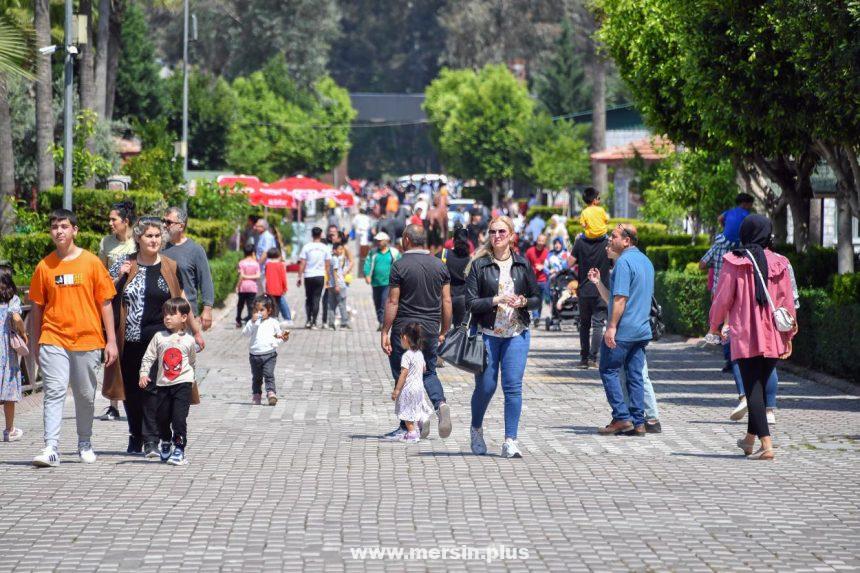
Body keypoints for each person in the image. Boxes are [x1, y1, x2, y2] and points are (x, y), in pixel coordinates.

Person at [102, 217, 204, 458]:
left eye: (157, 236)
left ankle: (151, 439)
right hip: (130, 339)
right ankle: (136, 434)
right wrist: (118, 276)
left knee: (154, 391)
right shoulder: (124, 263)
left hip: (161, 340)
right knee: (131, 390)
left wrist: (196, 329)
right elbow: (103, 293)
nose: (154, 240)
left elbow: (181, 299)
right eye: (149, 235)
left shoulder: (169, 265)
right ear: (138, 238)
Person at [29, 209, 118, 467]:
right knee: (54, 391)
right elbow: (37, 307)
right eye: (55, 227)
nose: (59, 231)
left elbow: (105, 303)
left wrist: (110, 341)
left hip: (88, 340)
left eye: (64, 226)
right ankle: (51, 447)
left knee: (84, 395)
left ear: (74, 231)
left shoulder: (91, 263)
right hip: (53, 337)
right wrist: (37, 342)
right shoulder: (44, 266)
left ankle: (84, 442)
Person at [708, 215, 797, 460]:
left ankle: (766, 445)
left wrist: (715, 326)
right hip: (774, 334)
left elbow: (722, 298)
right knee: (758, 385)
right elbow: (788, 303)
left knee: (752, 390)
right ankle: (749, 441)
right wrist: (788, 334)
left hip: (746, 334)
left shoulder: (734, 260)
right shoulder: (781, 262)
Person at [465, 216, 541, 458]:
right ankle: (476, 428)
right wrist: (496, 300)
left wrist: (524, 301)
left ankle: (510, 440)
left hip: (516, 333)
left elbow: (537, 297)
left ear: (511, 235)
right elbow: (470, 303)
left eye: (501, 232)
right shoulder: (479, 265)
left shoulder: (521, 264)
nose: (496, 236)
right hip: (487, 334)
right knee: (486, 387)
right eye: (492, 232)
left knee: (513, 388)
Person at [381, 224, 453, 440]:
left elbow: (393, 301)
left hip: (404, 328)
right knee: (429, 371)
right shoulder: (439, 265)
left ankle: (407, 425)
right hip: (430, 327)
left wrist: (385, 330)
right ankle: (440, 404)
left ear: (406, 240)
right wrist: (445, 329)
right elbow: (447, 300)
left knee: (402, 373)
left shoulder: (400, 265)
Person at [587, 245, 662, 433]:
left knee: (608, 370)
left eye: (614, 237)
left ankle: (621, 416)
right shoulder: (645, 261)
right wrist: (598, 283)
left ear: (627, 240)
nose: (609, 242)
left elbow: (620, 299)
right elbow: (613, 299)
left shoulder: (623, 263)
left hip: (624, 330)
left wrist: (611, 327)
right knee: (635, 375)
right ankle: (639, 422)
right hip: (641, 329)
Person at [137, 297, 197, 465]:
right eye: (165, 314)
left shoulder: (189, 340)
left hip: (182, 384)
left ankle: (179, 449)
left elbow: (191, 362)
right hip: (163, 384)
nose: (167, 318)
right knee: (161, 418)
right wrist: (143, 374)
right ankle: (165, 441)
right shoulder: (159, 337)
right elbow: (148, 357)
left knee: (179, 418)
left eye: (172, 314)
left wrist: (191, 380)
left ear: (184, 317)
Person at [98, 200, 137, 421]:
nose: (110, 223)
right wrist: (118, 276)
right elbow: (100, 276)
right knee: (112, 352)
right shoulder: (106, 243)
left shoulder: (138, 242)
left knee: (131, 352)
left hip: (135, 305)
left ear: (126, 221)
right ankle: (113, 404)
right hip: (113, 303)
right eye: (110, 219)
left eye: (114, 219)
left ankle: (134, 399)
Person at [162, 207, 216, 331]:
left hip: (185, 315)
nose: (164, 225)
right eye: (163, 221)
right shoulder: (159, 248)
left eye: (169, 222)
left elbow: (206, 280)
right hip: (162, 314)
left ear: (181, 226)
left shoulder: (195, 250)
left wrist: (207, 309)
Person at [387, 323, 434, 443]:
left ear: (405, 338)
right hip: (419, 387)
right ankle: (422, 419)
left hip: (409, 388)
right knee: (415, 407)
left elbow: (403, 373)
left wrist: (397, 390)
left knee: (407, 410)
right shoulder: (419, 354)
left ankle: (412, 433)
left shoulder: (407, 356)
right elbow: (424, 369)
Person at [571, 231, 611, 368]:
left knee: (584, 325)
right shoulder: (607, 243)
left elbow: (569, 262)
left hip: (584, 289)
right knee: (598, 324)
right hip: (602, 288)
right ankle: (593, 358)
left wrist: (575, 245)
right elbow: (612, 262)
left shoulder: (580, 242)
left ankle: (583, 358)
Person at [243, 295, 289, 406]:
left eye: (262, 310)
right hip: (255, 355)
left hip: (270, 354)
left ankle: (271, 393)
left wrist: (283, 338)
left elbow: (278, 337)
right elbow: (245, 334)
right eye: (256, 310)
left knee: (269, 374)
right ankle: (256, 395)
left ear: (269, 310)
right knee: (257, 377)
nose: (259, 313)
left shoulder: (273, 323)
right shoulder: (252, 323)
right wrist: (253, 323)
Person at [1, 265, 27, 442]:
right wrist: (23, 333)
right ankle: (9, 430)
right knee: (8, 393)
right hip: (6, 353)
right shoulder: (12, 301)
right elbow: (17, 318)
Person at [364, 232, 400, 330]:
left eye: (380, 240)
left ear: (387, 241)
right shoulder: (373, 252)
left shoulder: (394, 253)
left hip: (388, 283)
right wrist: (367, 275)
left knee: (384, 302)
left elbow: (400, 264)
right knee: (377, 303)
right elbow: (367, 263)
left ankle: (383, 324)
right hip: (375, 282)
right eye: (377, 241)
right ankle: (381, 321)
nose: (378, 242)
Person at [297, 227, 331, 329]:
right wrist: (328, 278)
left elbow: (302, 263)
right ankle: (314, 322)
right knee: (317, 298)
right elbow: (327, 264)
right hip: (320, 275)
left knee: (309, 298)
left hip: (308, 275)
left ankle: (308, 320)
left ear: (312, 235)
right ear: (321, 235)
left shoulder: (306, 247)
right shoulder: (325, 247)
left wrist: (299, 276)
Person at [439, 228, 471, 327]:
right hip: (463, 298)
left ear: (453, 240)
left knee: (444, 331)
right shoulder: (470, 259)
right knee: (459, 331)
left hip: (445, 296)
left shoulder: (444, 254)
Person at [524, 234, 550, 325]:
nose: (540, 243)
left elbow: (549, 265)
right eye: (539, 241)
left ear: (545, 242)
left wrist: (542, 267)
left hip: (543, 280)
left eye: (543, 241)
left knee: (540, 299)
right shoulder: (530, 251)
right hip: (533, 279)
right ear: (537, 240)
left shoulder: (547, 252)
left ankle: (537, 316)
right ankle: (535, 317)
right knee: (534, 298)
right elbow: (525, 264)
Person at [326, 242, 350, 330]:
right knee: (342, 304)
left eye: (341, 249)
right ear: (334, 250)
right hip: (338, 284)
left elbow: (328, 271)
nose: (340, 251)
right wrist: (337, 285)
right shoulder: (335, 259)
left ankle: (331, 323)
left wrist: (329, 282)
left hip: (331, 284)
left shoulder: (331, 258)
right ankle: (344, 323)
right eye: (339, 249)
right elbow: (335, 272)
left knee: (331, 305)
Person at [236, 244, 260, 328]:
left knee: (240, 304)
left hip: (243, 287)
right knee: (251, 305)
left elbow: (240, 276)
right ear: (253, 252)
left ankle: (238, 320)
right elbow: (258, 276)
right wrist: (250, 277)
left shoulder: (241, 263)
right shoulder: (256, 263)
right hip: (252, 287)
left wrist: (237, 286)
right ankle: (250, 321)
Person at [264, 248, 291, 322]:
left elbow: (266, 277)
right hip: (279, 289)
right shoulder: (280, 265)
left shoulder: (267, 265)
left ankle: (274, 317)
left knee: (272, 303)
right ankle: (287, 318)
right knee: (280, 304)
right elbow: (283, 278)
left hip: (270, 288)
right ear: (278, 255)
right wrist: (285, 288)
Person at [254, 218, 277, 287]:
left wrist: (257, 265)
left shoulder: (267, 237)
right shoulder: (261, 236)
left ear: (263, 227)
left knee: (267, 290)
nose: (255, 227)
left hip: (266, 268)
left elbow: (266, 253)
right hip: (262, 268)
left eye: (257, 226)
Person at [352, 209, 373, 276]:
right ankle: (363, 254)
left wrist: (355, 228)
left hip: (358, 230)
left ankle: (359, 253)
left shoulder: (357, 216)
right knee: (363, 243)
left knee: (358, 243)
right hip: (364, 231)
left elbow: (353, 223)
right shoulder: (367, 217)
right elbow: (369, 225)